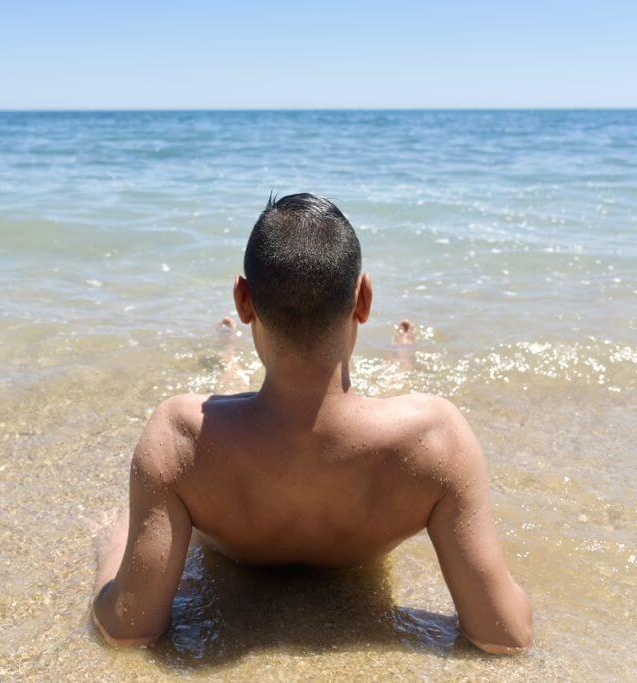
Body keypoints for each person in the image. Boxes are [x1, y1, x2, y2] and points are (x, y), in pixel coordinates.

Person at [91, 193, 533, 655]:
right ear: (363, 299)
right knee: (379, 401)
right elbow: (503, 634)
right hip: (376, 441)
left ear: (244, 301)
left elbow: (128, 627)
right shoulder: (435, 438)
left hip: (234, 461)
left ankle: (230, 358)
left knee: (226, 396)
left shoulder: (180, 436)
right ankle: (401, 362)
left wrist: (113, 544)